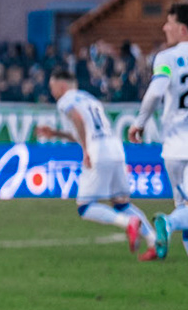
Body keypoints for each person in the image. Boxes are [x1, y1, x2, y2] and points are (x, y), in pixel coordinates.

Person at [34, 68, 155, 260]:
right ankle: (154, 242)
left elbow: (78, 119)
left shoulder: (65, 100)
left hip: (98, 152)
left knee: (85, 206)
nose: (51, 91)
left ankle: (128, 223)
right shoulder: (88, 98)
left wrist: (85, 150)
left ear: (62, 85)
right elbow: (86, 127)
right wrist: (56, 133)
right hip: (116, 149)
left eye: (52, 86)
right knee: (122, 203)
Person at [132, 3, 188, 258]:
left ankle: (172, 222)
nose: (165, 27)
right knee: (182, 214)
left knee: (185, 207)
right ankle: (169, 223)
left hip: (174, 149)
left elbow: (155, 91)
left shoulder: (165, 58)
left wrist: (140, 122)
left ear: (183, 30)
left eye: (170, 23)